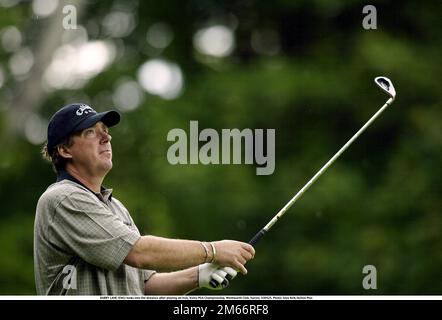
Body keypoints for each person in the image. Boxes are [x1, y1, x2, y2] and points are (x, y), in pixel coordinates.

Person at [34, 103, 255, 295]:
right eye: (91, 132)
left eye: (105, 130)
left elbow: (146, 286)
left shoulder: (115, 206)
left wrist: (198, 275)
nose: (106, 137)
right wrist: (212, 251)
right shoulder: (62, 198)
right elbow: (138, 252)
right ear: (64, 149)